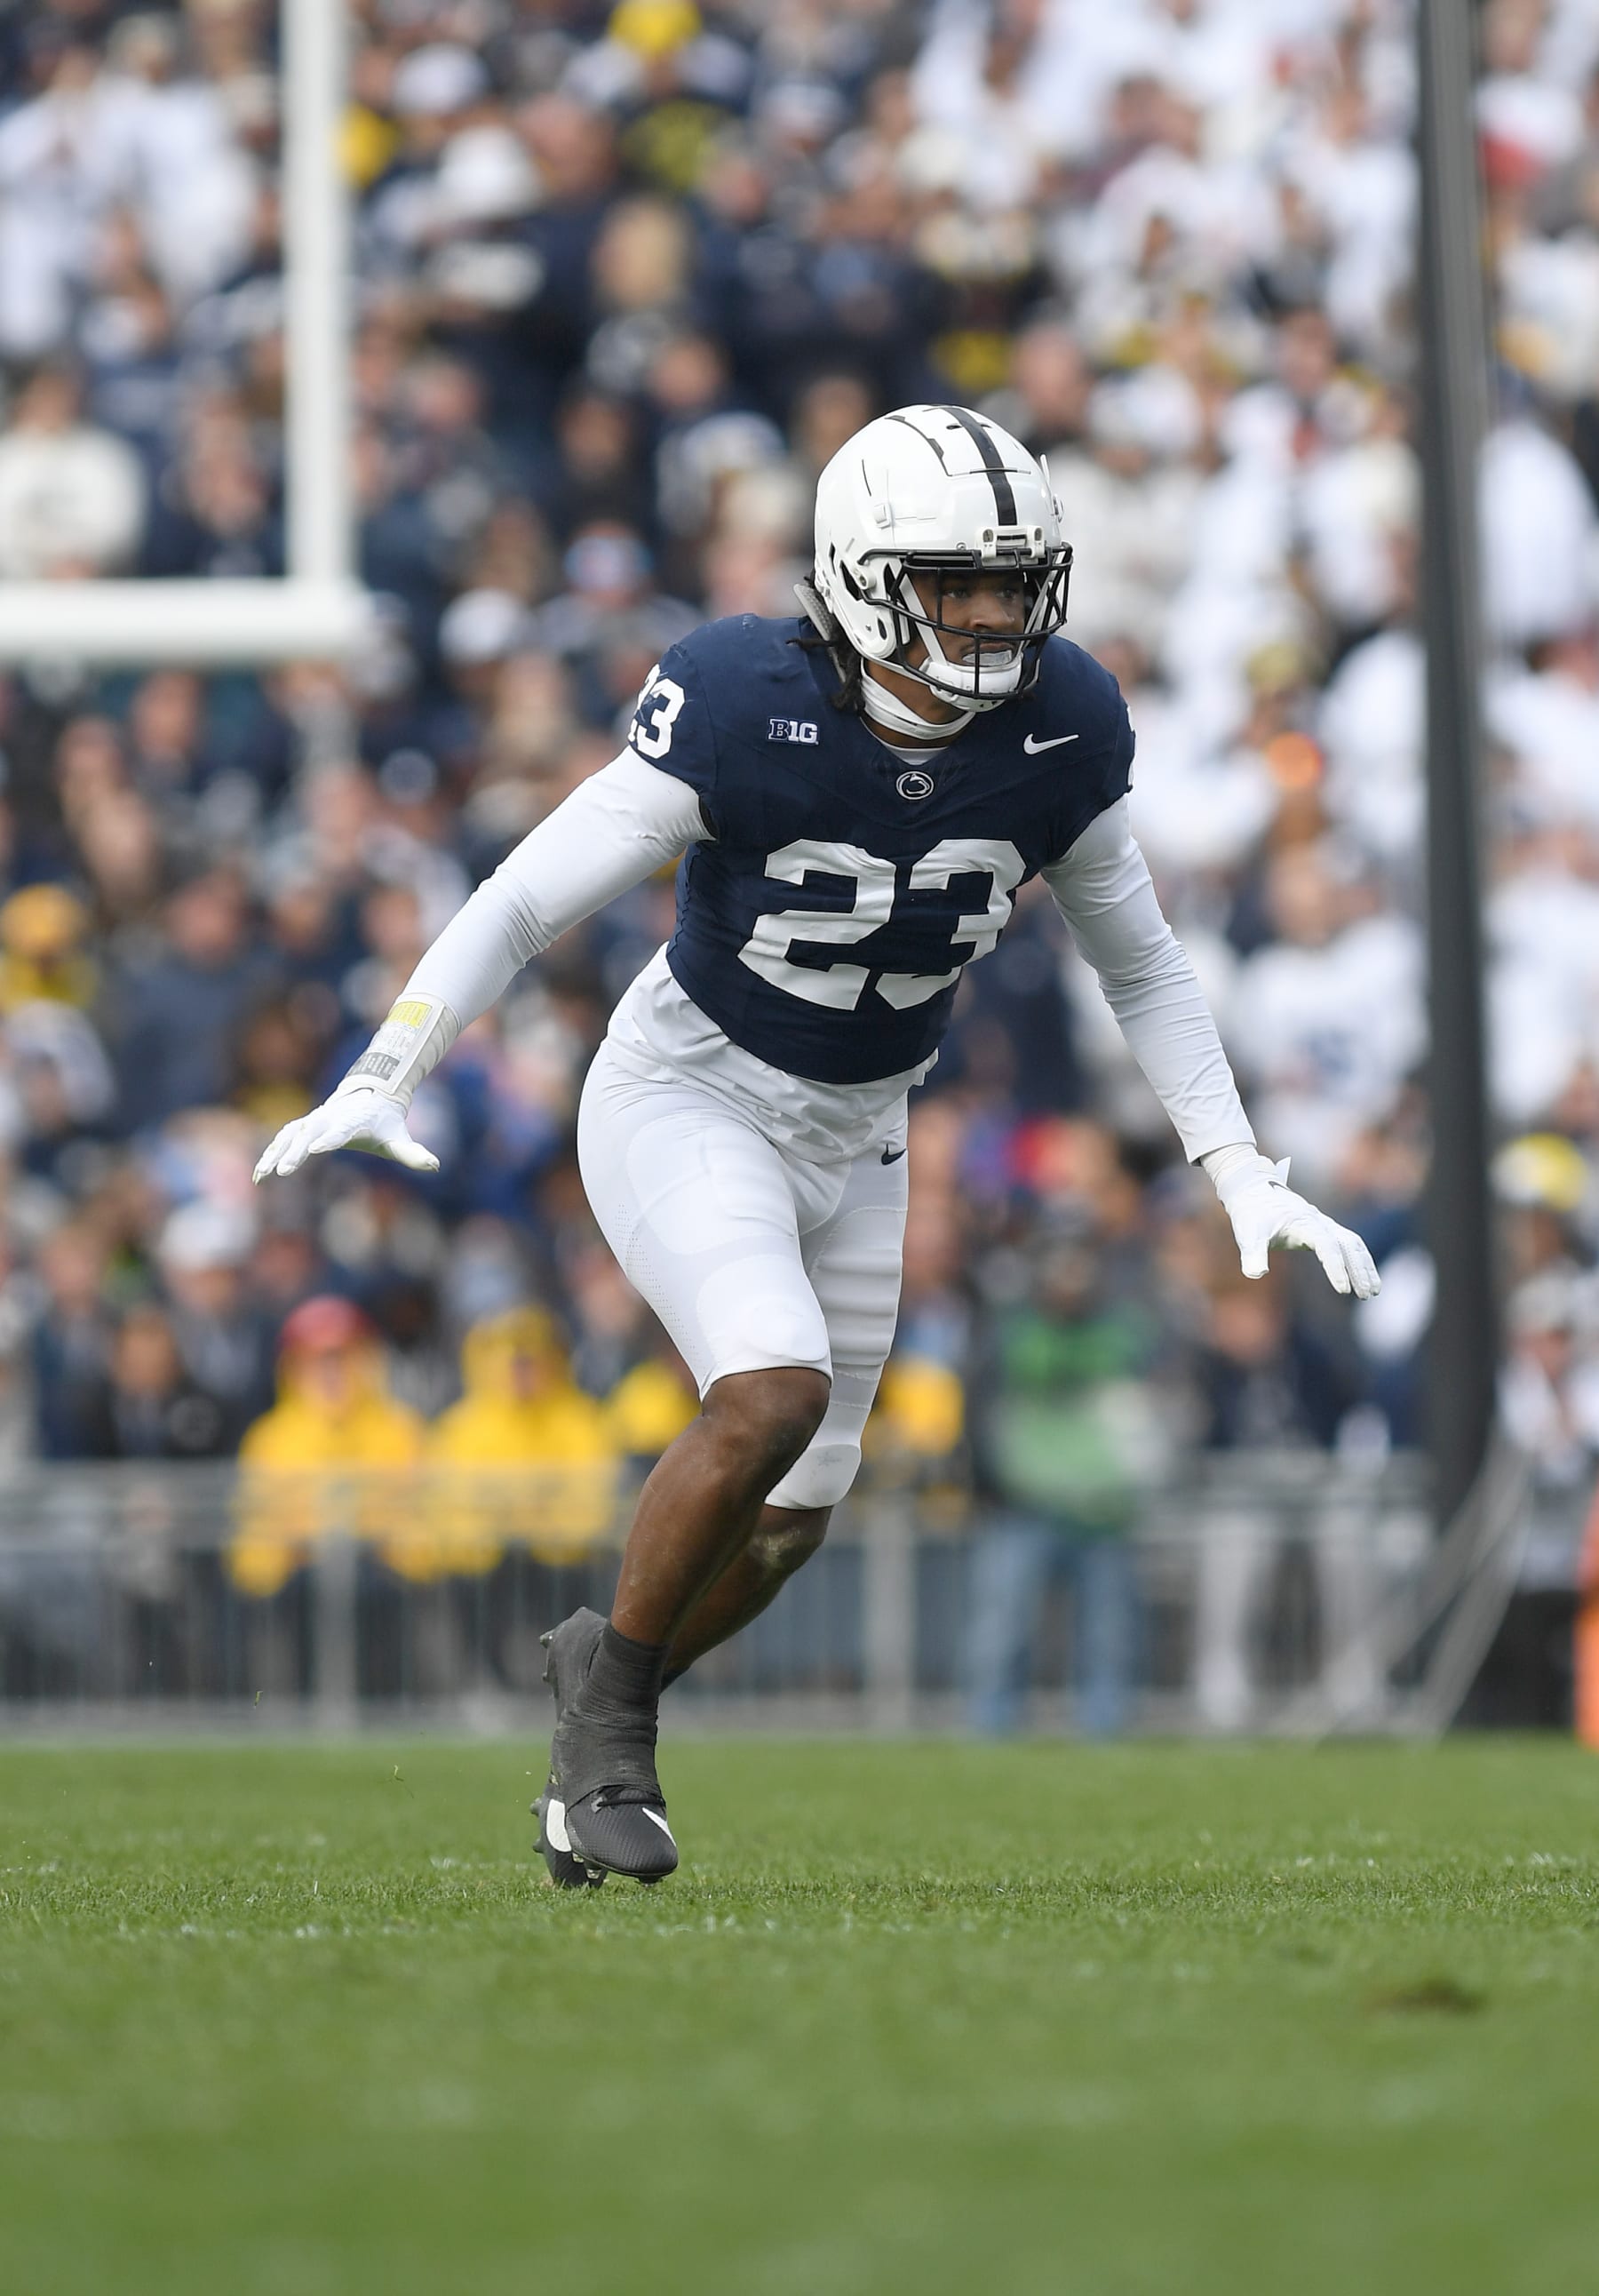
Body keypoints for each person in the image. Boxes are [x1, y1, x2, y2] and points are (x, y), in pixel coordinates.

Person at [255, 404, 1378, 1887]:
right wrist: (391, 1065)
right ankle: (606, 1752)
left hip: (864, 1130)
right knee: (770, 1390)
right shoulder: (739, 696)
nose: (988, 616)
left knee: (790, 1526)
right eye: (953, 582)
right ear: (859, 574)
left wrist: (1240, 1169)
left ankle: (608, 1674)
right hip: (691, 1089)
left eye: (1010, 582)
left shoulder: (1064, 722)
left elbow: (1146, 967)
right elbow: (528, 899)